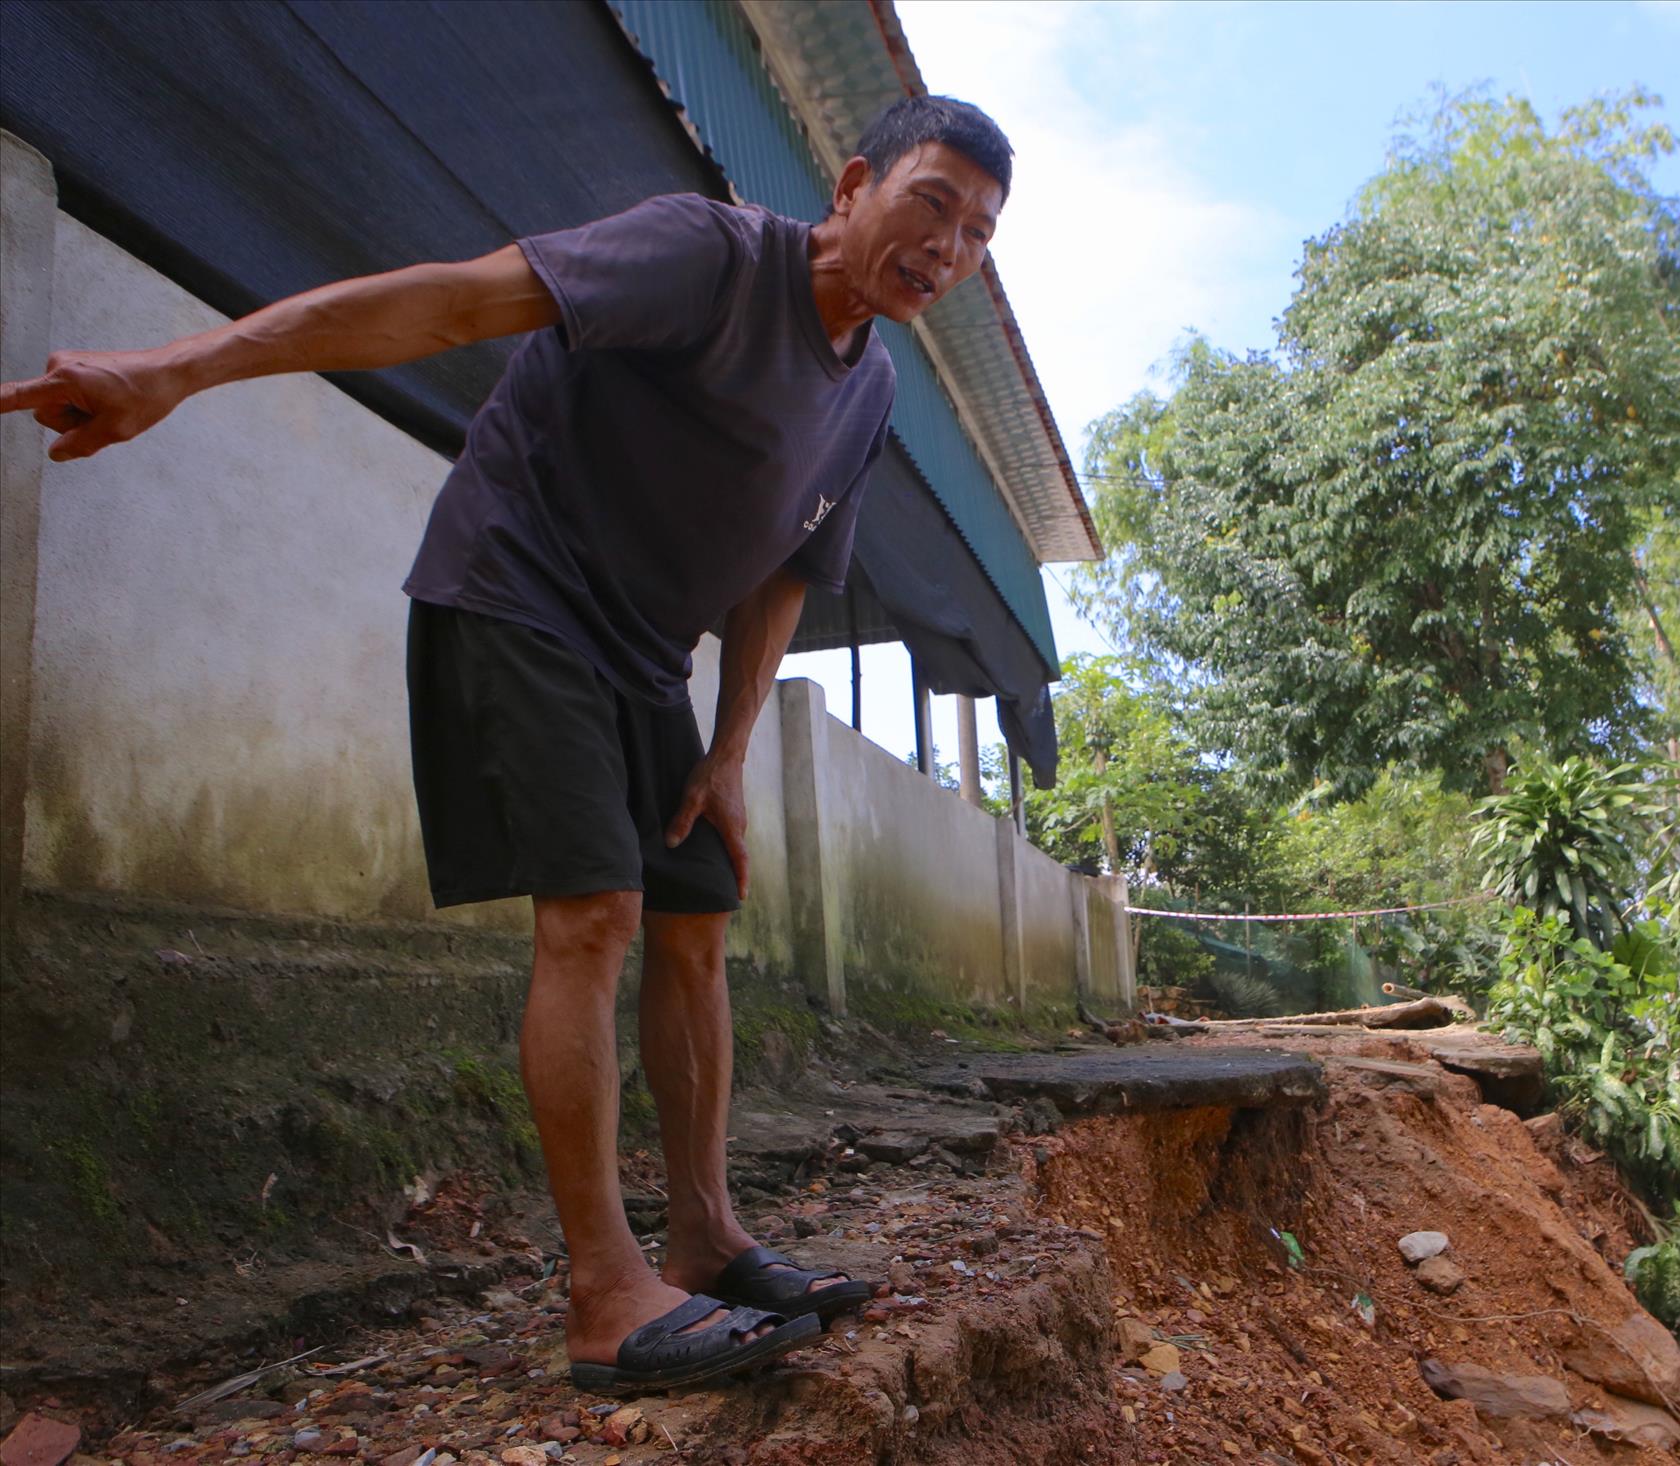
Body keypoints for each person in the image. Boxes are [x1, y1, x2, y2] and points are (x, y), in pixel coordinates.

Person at [0, 95, 1011, 1395]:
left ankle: (703, 1237)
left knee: (697, 917)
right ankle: (602, 1291)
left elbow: (788, 571)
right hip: (515, 589)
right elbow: (453, 303)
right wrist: (181, 367)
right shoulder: (708, 256)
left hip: (647, 656)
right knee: (593, 912)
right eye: (931, 204)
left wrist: (727, 749)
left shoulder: (868, 387)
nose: (948, 247)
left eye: (977, 236)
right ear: (855, 184)